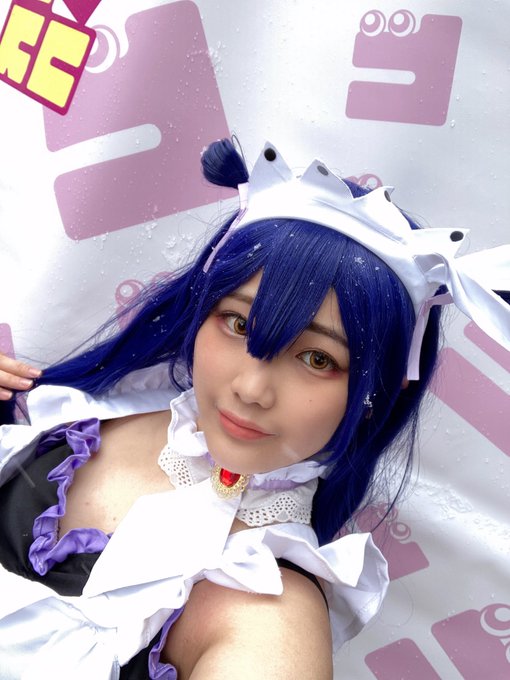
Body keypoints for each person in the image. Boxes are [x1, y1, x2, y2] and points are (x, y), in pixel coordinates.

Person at [0, 138, 508, 680]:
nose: (251, 388)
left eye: (317, 358)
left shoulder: (270, 623)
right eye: (239, 324)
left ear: (378, 391)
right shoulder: (86, 413)